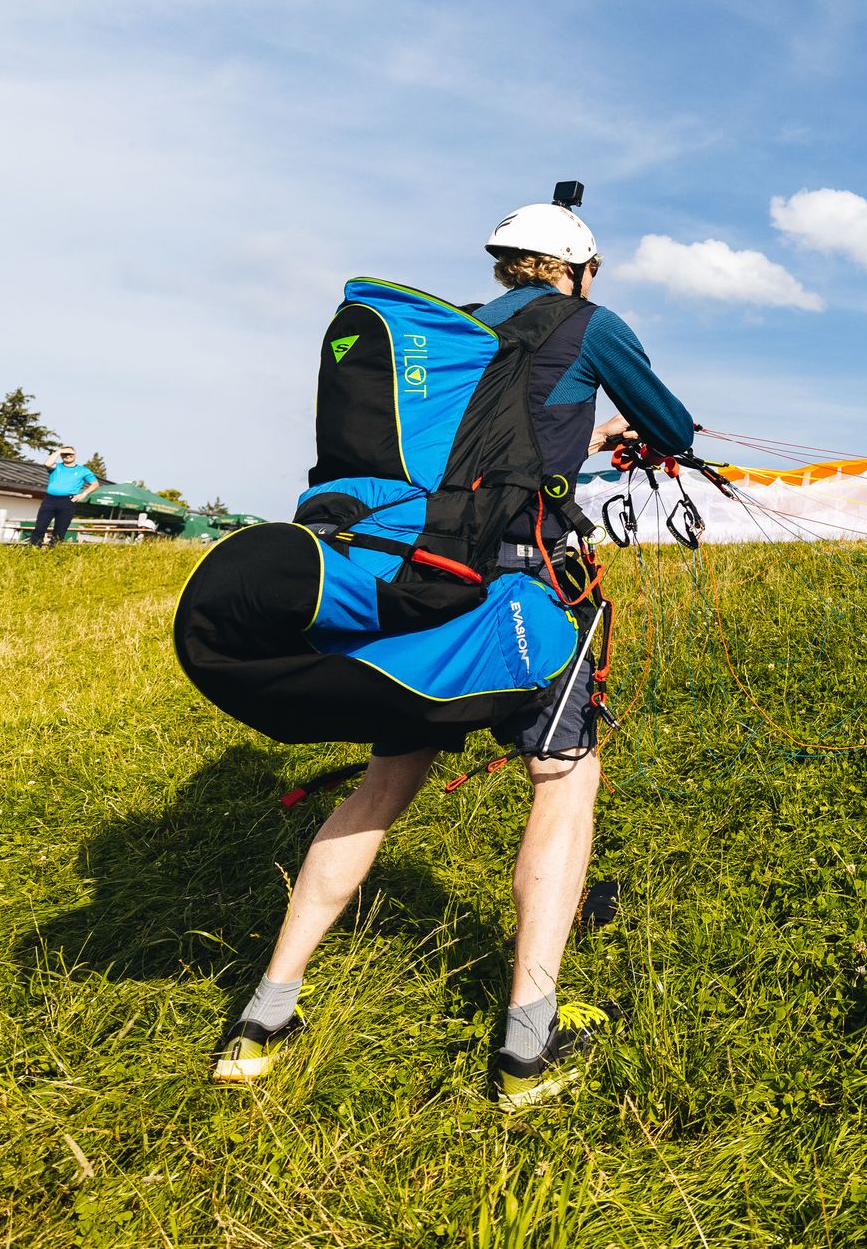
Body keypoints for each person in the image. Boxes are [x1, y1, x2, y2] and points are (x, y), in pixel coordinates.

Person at [214, 195, 698, 1109]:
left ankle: (262, 1021)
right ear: (580, 268)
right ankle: (528, 1042)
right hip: (530, 589)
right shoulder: (592, 324)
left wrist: (581, 436)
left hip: (428, 580)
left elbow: (496, 443)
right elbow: (670, 428)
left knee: (383, 786)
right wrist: (627, 435)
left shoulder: (452, 340)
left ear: (502, 266)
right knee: (563, 780)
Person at [32, 446, 98, 546]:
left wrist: (83, 494)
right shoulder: (56, 467)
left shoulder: (83, 470)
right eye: (65, 454)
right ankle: (34, 549)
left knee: (60, 530)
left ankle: (53, 552)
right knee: (40, 527)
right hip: (50, 500)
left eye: (70, 454)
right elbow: (47, 463)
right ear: (61, 455)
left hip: (67, 502)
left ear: (75, 455)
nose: (68, 456)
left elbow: (95, 484)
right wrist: (59, 451)